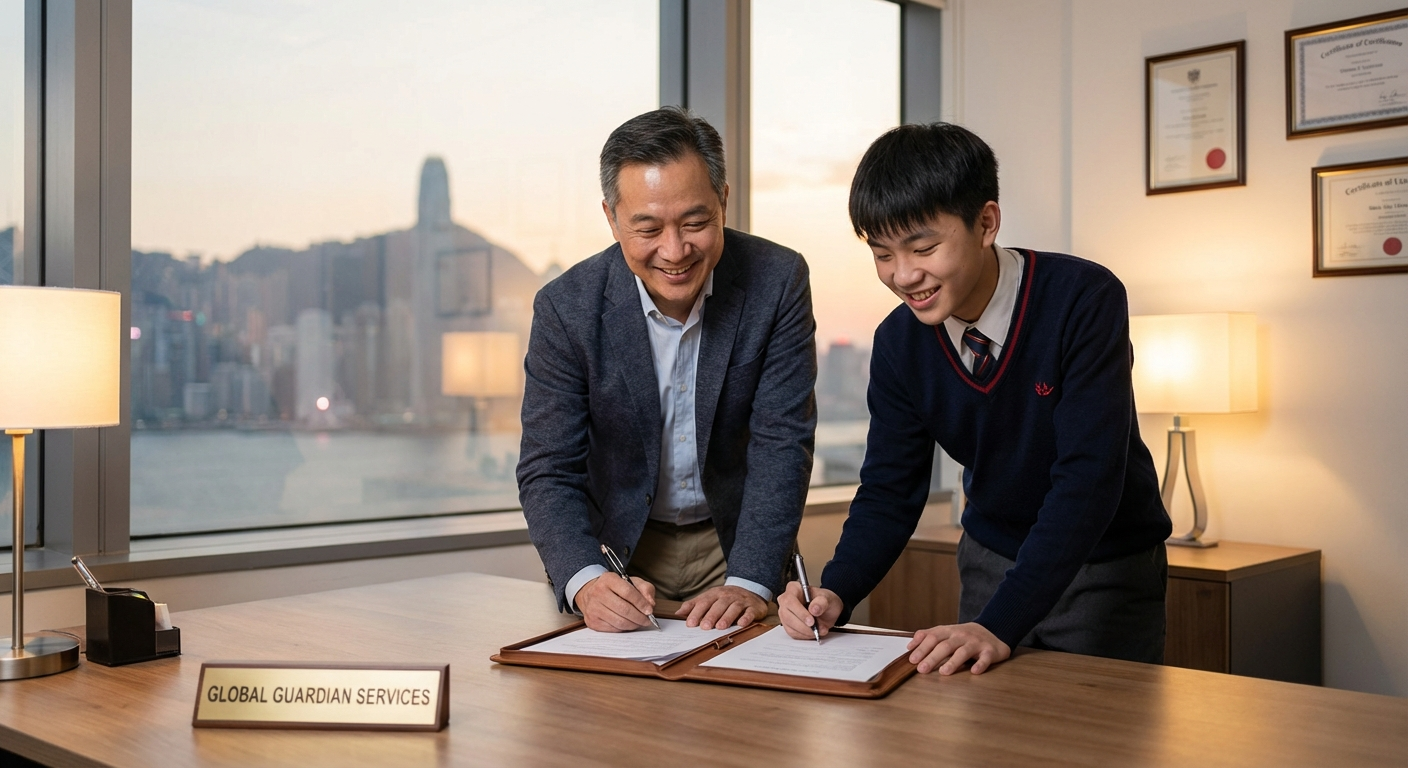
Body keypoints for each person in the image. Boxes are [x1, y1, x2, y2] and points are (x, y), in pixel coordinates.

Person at [778, 123, 1172, 675]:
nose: (904, 274)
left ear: (986, 222)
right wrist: (836, 591)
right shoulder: (898, 343)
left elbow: (1088, 479)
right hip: (989, 562)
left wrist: (1000, 623)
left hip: (1100, 568)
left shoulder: (1083, 299)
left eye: (924, 247)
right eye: (882, 253)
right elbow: (891, 490)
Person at [518, 107, 817, 633]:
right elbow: (549, 467)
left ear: (723, 201)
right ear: (612, 218)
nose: (675, 251)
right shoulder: (567, 308)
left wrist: (750, 582)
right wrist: (586, 581)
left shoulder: (777, 280)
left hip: (735, 540)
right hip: (621, 554)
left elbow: (781, 444)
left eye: (696, 223)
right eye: (648, 228)